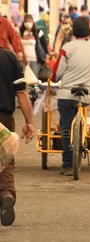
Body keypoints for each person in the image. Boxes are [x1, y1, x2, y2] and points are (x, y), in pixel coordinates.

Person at [51, 16, 90, 176]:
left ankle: (68, 164)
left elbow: (56, 74)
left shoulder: (67, 48)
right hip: (88, 94)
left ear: (73, 31)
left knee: (66, 127)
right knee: (79, 115)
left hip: (66, 94)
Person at [0, 47, 35, 226]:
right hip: (4, 118)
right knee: (5, 161)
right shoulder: (8, 57)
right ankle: (6, 193)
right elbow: (21, 92)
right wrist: (29, 122)